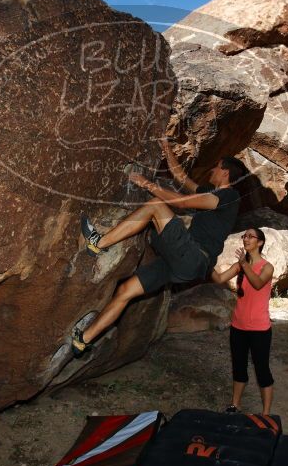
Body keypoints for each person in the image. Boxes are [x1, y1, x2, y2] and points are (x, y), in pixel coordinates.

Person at [72, 138, 245, 357]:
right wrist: (166, 148)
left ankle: (98, 243)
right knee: (126, 291)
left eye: (217, 166)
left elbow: (181, 202)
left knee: (155, 205)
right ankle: (82, 340)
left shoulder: (229, 196)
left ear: (225, 172)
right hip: (180, 264)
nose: (212, 169)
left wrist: (146, 184)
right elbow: (182, 178)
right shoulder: (211, 194)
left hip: (192, 255)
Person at [211, 227, 275, 415]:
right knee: (238, 366)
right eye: (244, 236)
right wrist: (207, 264)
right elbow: (220, 278)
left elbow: (257, 283)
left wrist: (243, 264)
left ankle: (265, 414)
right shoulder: (240, 266)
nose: (246, 239)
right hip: (238, 326)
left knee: (262, 369)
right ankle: (235, 404)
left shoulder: (266, 266)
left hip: (260, 329)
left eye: (250, 236)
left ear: (260, 242)